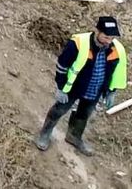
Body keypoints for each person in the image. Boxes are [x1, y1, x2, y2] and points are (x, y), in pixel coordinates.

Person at [34, 16, 127, 155]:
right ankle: (45, 133)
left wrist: (111, 91)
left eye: (112, 38)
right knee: (59, 110)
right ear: (97, 31)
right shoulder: (78, 43)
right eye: (106, 37)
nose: (109, 41)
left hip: (95, 90)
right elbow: (62, 66)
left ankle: (74, 136)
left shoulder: (117, 49)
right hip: (74, 88)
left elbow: (117, 71)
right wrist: (61, 87)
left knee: (83, 114)